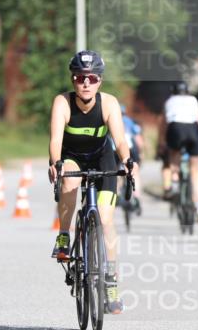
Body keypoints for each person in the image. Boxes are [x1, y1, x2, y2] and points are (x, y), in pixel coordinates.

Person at [48, 50, 138, 314]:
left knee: (107, 220)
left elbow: (120, 140)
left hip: (102, 158)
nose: (85, 83)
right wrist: (56, 163)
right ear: (73, 80)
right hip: (71, 157)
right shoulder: (62, 102)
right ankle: (64, 235)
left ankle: (110, 281)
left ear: (100, 81)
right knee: (69, 183)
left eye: (92, 78)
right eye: (79, 77)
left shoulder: (108, 103)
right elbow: (55, 140)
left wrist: (129, 161)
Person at [158, 81, 198, 221]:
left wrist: (162, 142)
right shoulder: (193, 100)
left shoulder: (169, 101)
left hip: (176, 128)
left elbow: (164, 124)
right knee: (196, 170)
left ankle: (174, 183)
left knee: (174, 157)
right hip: (193, 130)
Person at [121, 104, 144, 213]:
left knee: (116, 171)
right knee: (135, 171)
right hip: (131, 148)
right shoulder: (130, 121)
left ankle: (117, 194)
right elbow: (138, 139)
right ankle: (137, 196)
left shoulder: (109, 120)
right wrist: (141, 153)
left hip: (115, 149)